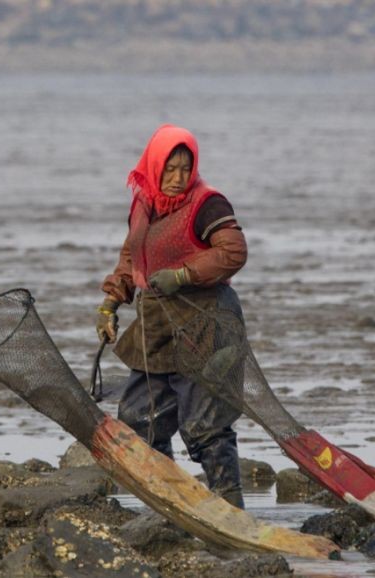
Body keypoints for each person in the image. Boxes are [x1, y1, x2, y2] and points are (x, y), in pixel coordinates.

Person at [96, 124, 249, 508]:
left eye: (186, 168)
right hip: (156, 325)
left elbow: (233, 252)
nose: (178, 178)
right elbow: (132, 256)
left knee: (204, 424)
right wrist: (110, 305)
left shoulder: (207, 204)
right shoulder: (143, 203)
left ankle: (230, 506)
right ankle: (169, 501)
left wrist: (184, 274)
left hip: (203, 322)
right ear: (154, 166)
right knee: (138, 417)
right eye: (169, 168)